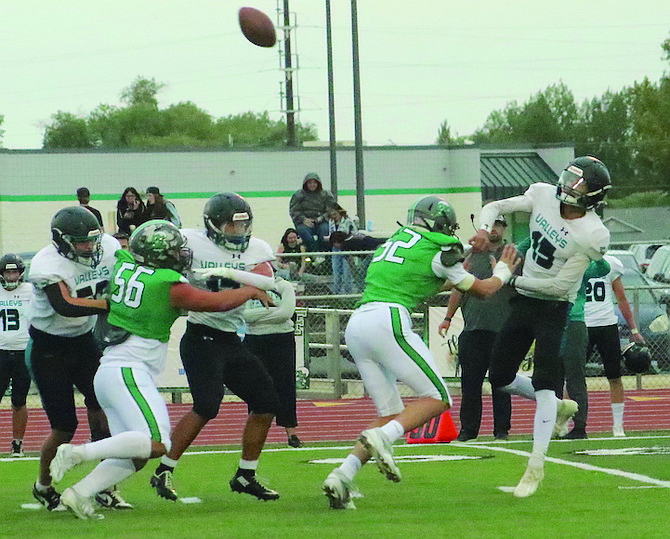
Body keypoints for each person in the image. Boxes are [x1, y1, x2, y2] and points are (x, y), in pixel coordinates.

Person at [47, 220, 273, 520]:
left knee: (136, 454)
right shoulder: (166, 285)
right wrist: (250, 291)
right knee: (157, 442)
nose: (181, 255)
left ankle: (78, 494)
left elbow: (130, 259)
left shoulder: (125, 265)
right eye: (174, 251)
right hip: (128, 369)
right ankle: (77, 453)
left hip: (112, 370)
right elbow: (215, 303)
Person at [322, 195, 520, 510]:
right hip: (387, 320)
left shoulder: (400, 239)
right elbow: (484, 290)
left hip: (358, 323)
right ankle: (382, 439)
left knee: (389, 415)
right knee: (438, 397)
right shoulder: (441, 249)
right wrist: (505, 270)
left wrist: (467, 255)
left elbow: (426, 279)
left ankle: (342, 475)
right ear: (442, 224)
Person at [468, 155, 612, 498]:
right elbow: (495, 205)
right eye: (569, 178)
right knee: (499, 377)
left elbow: (561, 288)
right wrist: (484, 232)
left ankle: (536, 464)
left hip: (554, 306)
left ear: (592, 195)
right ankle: (559, 406)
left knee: (545, 383)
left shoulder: (593, 233)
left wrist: (510, 280)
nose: (569, 186)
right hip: (525, 298)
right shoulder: (543, 194)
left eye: (579, 184)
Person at [151, 192, 282, 502]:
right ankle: (164, 469)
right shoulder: (190, 242)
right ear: (212, 225)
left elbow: (266, 278)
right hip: (200, 335)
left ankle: (245, 475)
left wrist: (254, 283)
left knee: (266, 401)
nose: (238, 232)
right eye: (231, 226)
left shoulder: (256, 248)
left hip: (229, 339)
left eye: (243, 225)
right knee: (207, 405)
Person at [27, 206, 130, 511]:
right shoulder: (46, 263)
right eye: (82, 242)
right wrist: (112, 306)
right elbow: (66, 305)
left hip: (85, 342)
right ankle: (43, 486)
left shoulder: (109, 247)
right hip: (49, 348)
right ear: (62, 241)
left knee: (104, 411)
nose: (90, 247)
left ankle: (104, 486)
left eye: (92, 240)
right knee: (64, 427)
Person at [438, 216, 513, 441]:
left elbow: (520, 287)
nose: (495, 230)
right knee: (470, 384)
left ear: (503, 229)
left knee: (502, 383)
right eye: (492, 225)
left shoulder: (509, 256)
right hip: (473, 329)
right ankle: (468, 430)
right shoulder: (469, 256)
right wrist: (448, 317)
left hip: (502, 330)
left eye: (499, 225)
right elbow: (457, 290)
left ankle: (502, 430)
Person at [583, 254, 646, 438]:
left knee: (615, 376)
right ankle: (570, 422)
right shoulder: (576, 259)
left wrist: (634, 328)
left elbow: (622, 298)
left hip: (606, 324)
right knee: (574, 377)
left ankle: (618, 425)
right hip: (582, 324)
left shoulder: (611, 263)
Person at [554, 257, 612, 440]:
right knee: (550, 378)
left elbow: (604, 268)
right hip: (551, 323)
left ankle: (579, 426)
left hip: (573, 322)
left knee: (574, 376)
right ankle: (550, 424)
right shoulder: (551, 263)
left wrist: (596, 253)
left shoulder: (580, 265)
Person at [243, 277, 303, 448]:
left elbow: (286, 313)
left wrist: (260, 316)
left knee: (285, 385)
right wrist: (273, 313)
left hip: (281, 339)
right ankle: (256, 434)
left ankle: (291, 433)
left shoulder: (283, 286)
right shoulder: (247, 287)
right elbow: (245, 316)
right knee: (255, 387)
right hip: (254, 339)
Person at [0, 254, 32, 457]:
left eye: (14, 271)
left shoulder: (31, 292)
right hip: (1, 351)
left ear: (21, 273)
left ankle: (17, 443)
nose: (11, 276)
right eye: (7, 272)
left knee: (19, 401)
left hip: (23, 352)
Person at [289, 172, 335, 252]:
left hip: (322, 221)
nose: (312, 185)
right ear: (306, 183)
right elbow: (294, 211)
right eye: (310, 183)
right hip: (304, 223)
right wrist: (303, 219)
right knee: (305, 234)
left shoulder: (326, 194)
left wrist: (322, 217)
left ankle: (324, 254)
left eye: (314, 182)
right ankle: (313, 253)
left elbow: (332, 209)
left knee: (324, 233)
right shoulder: (298, 195)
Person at [327, 203, 358, 295]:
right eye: (332, 215)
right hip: (335, 248)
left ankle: (347, 292)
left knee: (346, 271)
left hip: (346, 248)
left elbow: (354, 232)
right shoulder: (331, 222)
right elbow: (331, 233)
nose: (334, 217)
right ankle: (336, 292)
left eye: (335, 214)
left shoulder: (348, 221)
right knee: (336, 271)